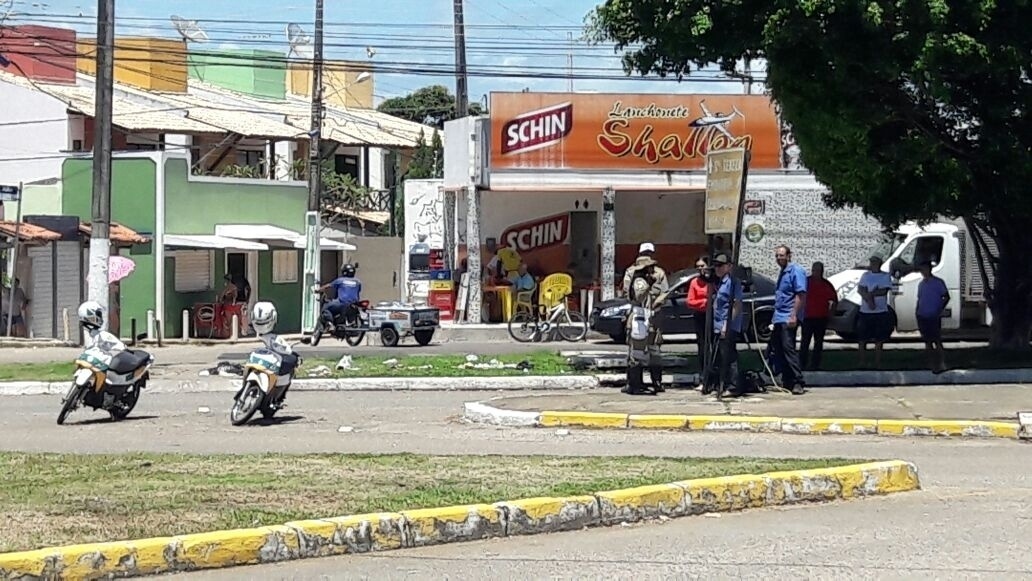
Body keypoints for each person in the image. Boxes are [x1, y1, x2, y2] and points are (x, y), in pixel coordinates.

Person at [621, 242, 669, 394]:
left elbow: (665, 292)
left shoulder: (659, 273)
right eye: (645, 253)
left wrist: (658, 301)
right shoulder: (630, 273)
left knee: (655, 350)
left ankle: (657, 382)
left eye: (649, 253)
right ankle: (635, 383)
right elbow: (627, 294)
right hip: (637, 315)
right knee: (635, 351)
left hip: (654, 316)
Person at [771, 245, 807, 395]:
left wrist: (794, 315)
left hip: (788, 316)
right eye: (777, 256)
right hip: (779, 317)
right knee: (777, 349)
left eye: (782, 255)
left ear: (789, 256)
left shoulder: (796, 271)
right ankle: (787, 380)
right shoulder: (782, 272)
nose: (779, 258)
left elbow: (800, 295)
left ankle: (798, 381)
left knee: (789, 349)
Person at [710, 254, 744, 397]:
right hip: (717, 325)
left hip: (727, 325)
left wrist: (726, 325)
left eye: (720, 265)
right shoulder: (721, 281)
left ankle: (733, 386)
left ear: (729, 266)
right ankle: (720, 384)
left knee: (729, 356)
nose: (717, 268)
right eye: (716, 265)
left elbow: (737, 304)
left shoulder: (733, 282)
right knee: (720, 356)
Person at [857, 255, 894, 369]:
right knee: (862, 339)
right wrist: (868, 298)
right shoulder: (865, 275)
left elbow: (883, 291)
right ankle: (862, 362)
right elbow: (861, 289)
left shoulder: (885, 276)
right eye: (872, 262)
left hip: (880, 311)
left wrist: (871, 295)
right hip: (865, 311)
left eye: (875, 262)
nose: (873, 264)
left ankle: (877, 362)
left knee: (879, 339)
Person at [800, 262, 837, 370]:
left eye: (819, 270)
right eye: (815, 270)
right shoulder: (805, 282)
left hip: (821, 318)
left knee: (818, 342)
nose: (816, 272)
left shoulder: (826, 284)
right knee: (805, 342)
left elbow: (834, 300)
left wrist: (831, 314)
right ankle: (802, 364)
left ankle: (815, 364)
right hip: (807, 317)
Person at [916, 260, 950, 373]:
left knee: (937, 340)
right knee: (927, 342)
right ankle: (931, 364)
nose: (923, 272)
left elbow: (946, 296)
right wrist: (917, 311)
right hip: (922, 315)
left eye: (924, 269)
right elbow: (919, 299)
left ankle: (942, 363)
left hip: (934, 315)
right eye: (921, 270)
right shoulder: (921, 284)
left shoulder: (938, 282)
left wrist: (939, 308)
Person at [250, 301, 298, 376]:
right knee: (292, 360)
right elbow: (287, 351)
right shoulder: (274, 339)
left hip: (254, 367)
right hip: (269, 370)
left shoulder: (258, 339)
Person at [687, 256, 711, 385]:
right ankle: (703, 375)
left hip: (713, 317)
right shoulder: (695, 282)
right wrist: (705, 302)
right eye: (698, 267)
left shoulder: (713, 281)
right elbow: (690, 302)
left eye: (702, 266)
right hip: (700, 316)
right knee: (702, 347)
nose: (700, 269)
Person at [318, 264, 363, 328]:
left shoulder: (340, 280)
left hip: (342, 303)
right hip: (354, 304)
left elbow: (328, 286)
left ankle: (330, 323)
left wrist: (318, 290)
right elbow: (358, 291)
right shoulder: (358, 282)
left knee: (326, 308)